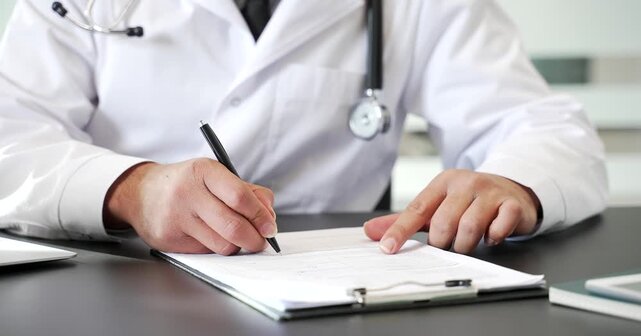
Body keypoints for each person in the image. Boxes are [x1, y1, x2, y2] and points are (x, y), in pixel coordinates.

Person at [0, 0, 607, 255]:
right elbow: (10, 134)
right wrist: (128, 189)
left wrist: (513, 182)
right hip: (112, 278)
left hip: (338, 299)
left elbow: (540, 124)